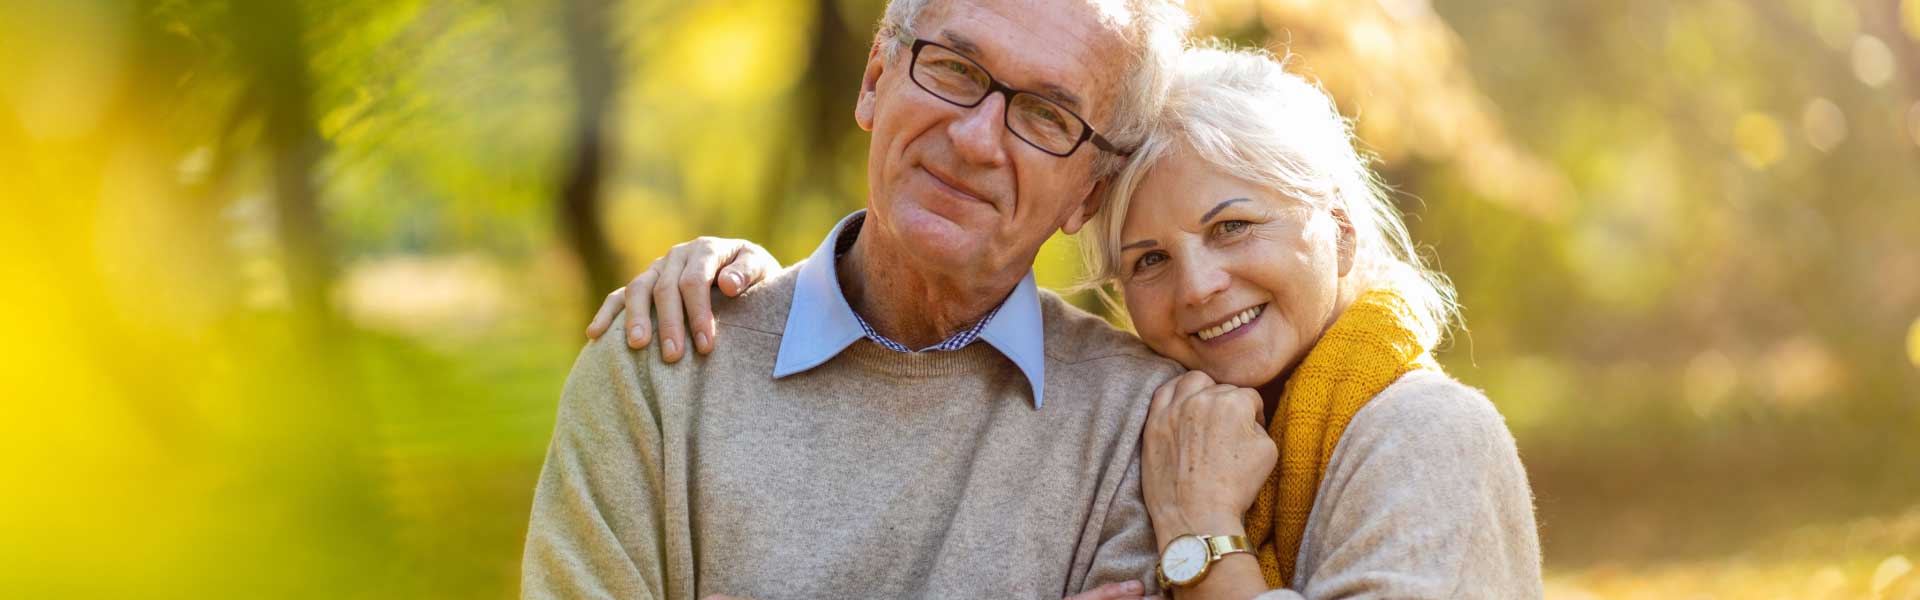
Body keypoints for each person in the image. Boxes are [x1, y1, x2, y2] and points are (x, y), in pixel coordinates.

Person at [603, 45, 1543, 598]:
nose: (1201, 286)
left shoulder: (1422, 435)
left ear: (1337, 230)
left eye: (1234, 227)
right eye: (1149, 261)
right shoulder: (1180, 420)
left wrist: (1208, 539)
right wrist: (762, 291)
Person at [521, 1, 1193, 599]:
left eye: (1047, 115)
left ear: (1090, 195)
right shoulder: (662, 371)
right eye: (956, 68)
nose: (975, 139)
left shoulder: (1147, 428)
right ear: (875, 81)